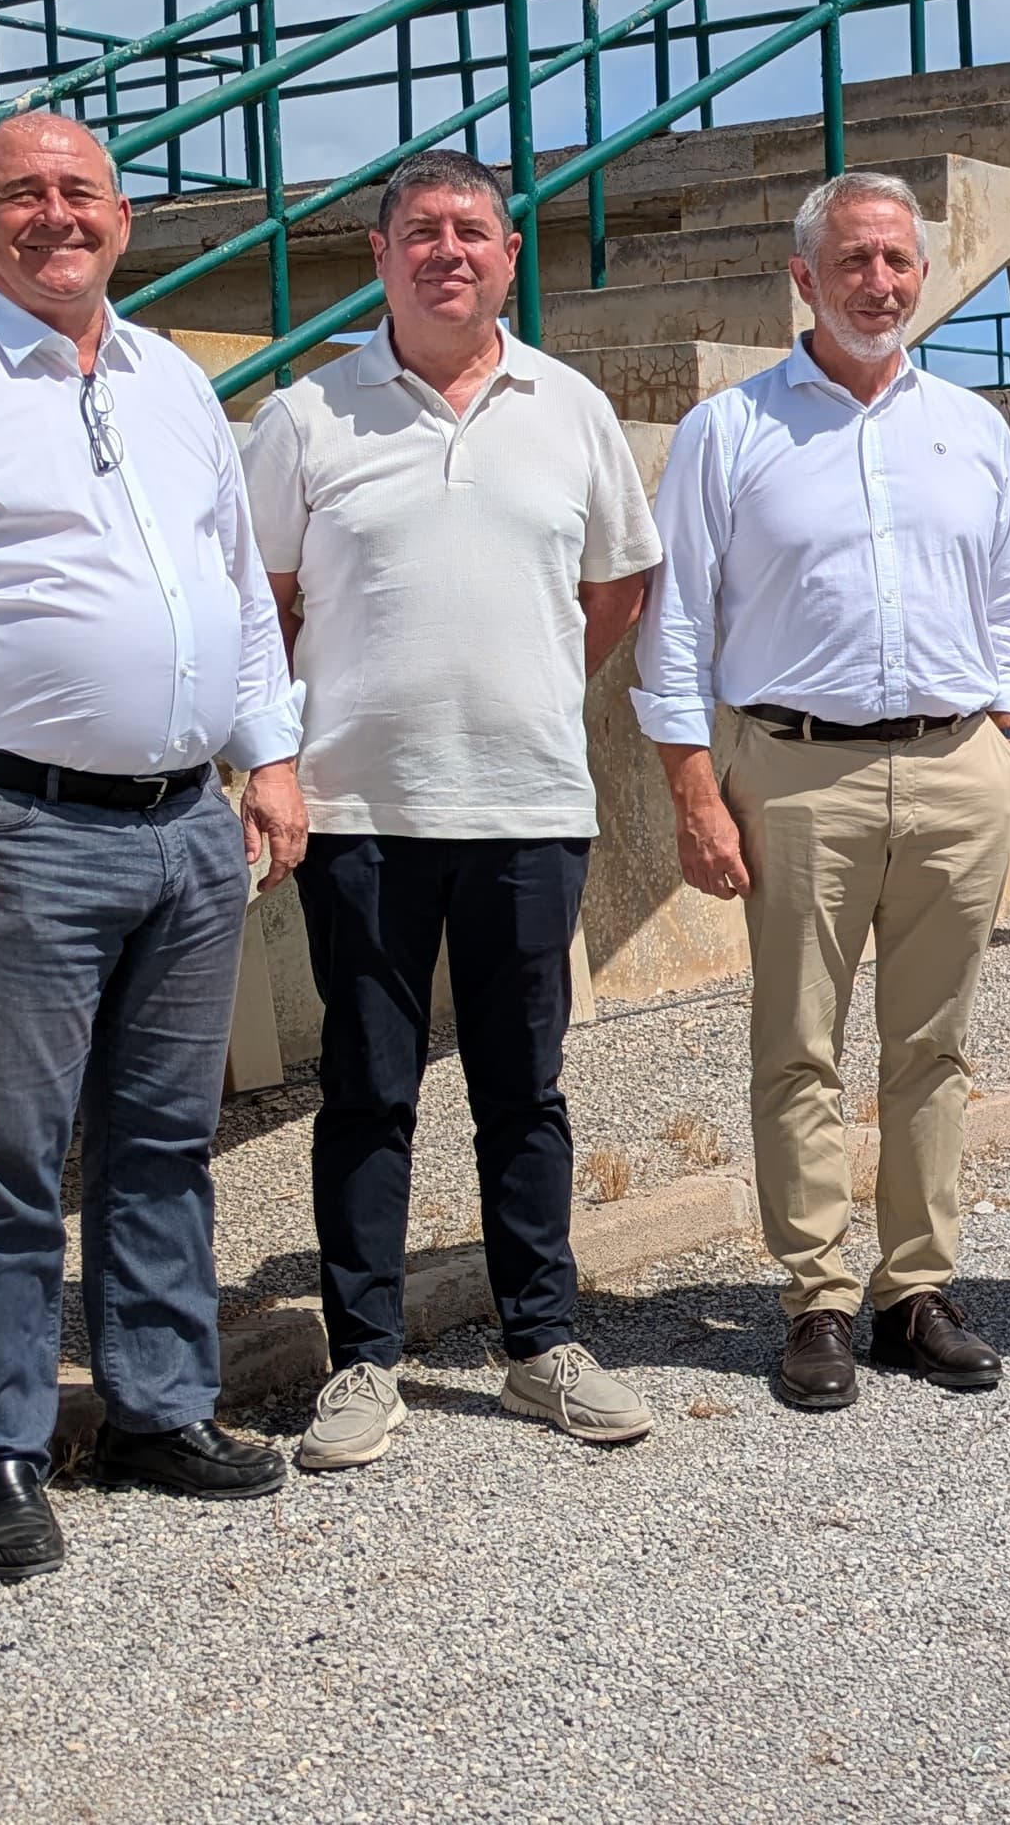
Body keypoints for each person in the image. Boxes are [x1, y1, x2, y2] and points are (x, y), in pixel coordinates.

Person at [0, 109, 308, 1583]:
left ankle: (158, 1408)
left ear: (124, 219)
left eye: (79, 190)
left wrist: (265, 752)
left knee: (164, 1143)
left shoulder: (175, 386)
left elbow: (234, 591)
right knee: (9, 1157)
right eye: (18, 195)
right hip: (9, 829)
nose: (53, 214)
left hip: (183, 832)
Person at [243, 148, 664, 1467]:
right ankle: (362, 1362)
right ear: (379, 257)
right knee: (367, 1089)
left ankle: (541, 1343)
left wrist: (522, 688)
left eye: (471, 231)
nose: (447, 251)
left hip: (529, 805)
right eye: (419, 231)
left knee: (522, 1088)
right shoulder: (306, 420)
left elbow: (616, 589)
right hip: (362, 811)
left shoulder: (571, 408)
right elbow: (265, 604)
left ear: (508, 254)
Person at [637, 169, 1010, 1412]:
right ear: (803, 279)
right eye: (856, 261)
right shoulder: (734, 428)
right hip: (792, 770)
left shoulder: (971, 425)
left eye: (900, 262)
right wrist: (694, 788)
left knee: (933, 1045)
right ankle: (816, 1296)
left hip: (955, 766)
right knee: (797, 1046)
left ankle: (916, 1288)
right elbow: (677, 625)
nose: (882, 282)